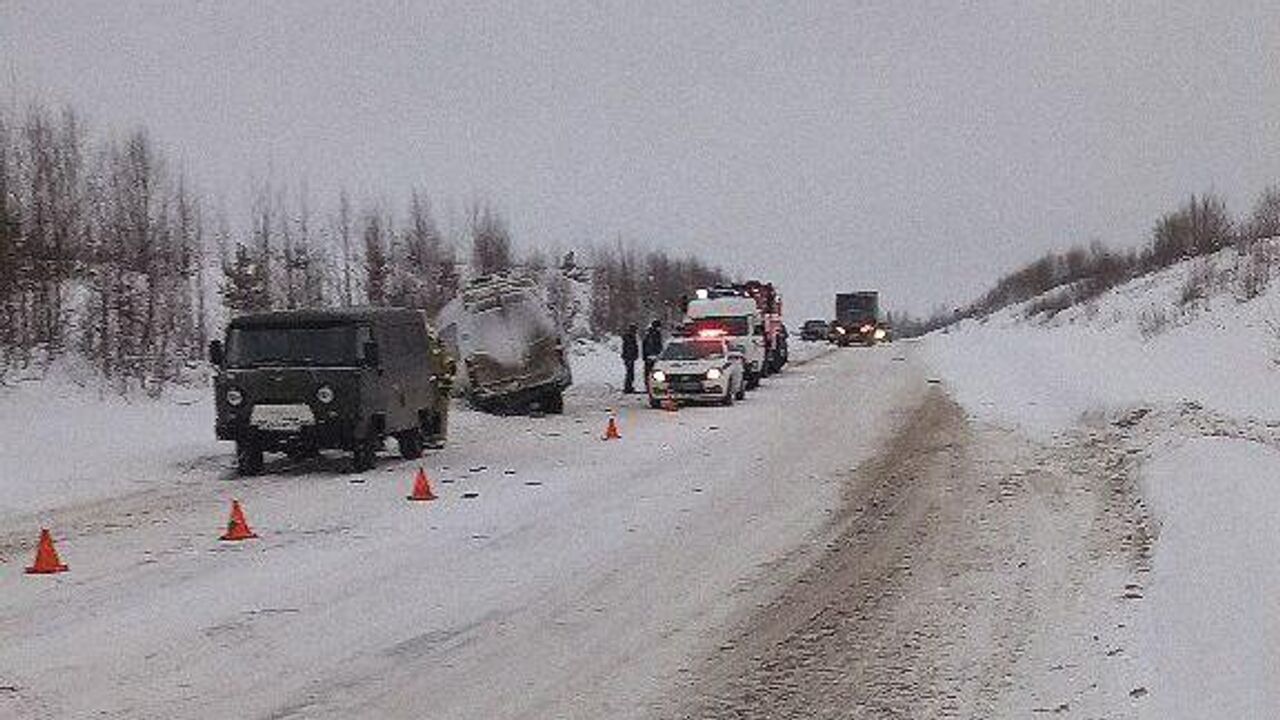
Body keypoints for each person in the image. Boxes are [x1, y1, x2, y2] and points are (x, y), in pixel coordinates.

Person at [642, 320, 664, 390]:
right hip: (652, 357)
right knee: (652, 373)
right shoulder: (653, 334)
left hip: (651, 356)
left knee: (650, 373)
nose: (660, 328)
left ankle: (650, 387)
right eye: (659, 326)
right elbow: (651, 346)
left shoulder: (650, 333)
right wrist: (655, 355)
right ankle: (650, 387)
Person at [621, 323, 639, 393]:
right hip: (629, 357)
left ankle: (628, 387)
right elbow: (630, 348)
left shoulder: (630, 337)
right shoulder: (629, 338)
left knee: (630, 373)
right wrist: (631, 357)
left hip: (629, 357)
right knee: (630, 373)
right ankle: (627, 388)